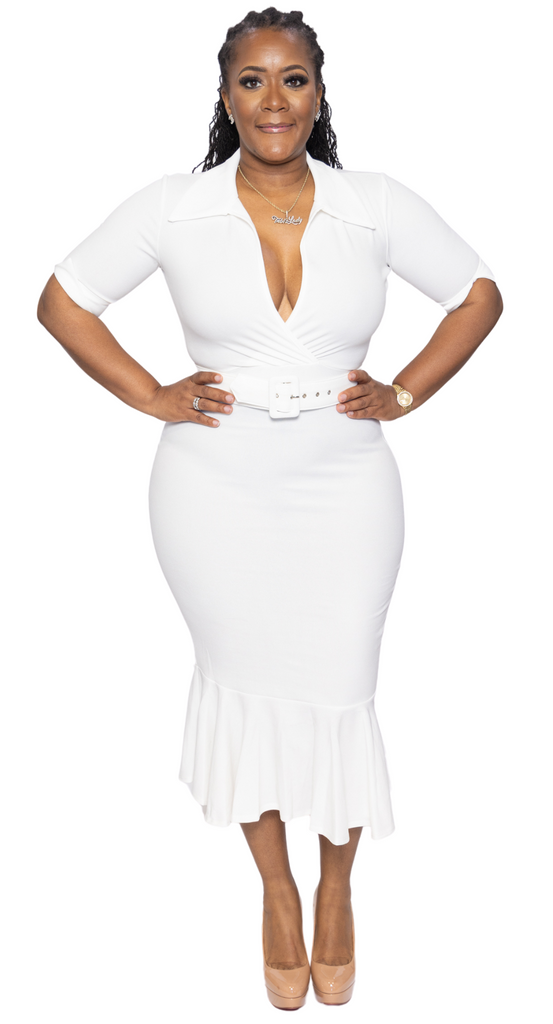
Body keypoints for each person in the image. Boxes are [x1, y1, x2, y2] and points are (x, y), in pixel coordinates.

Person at [37, 6, 503, 1011]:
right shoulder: (175, 205)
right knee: (243, 685)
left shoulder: (373, 203)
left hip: (346, 484)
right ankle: (277, 889)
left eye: (292, 79)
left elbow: (476, 293)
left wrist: (405, 391)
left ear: (319, 93)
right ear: (225, 96)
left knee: (340, 690)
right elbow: (63, 300)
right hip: (212, 488)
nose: (273, 100)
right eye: (251, 80)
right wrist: (149, 393)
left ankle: (335, 887)